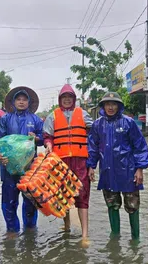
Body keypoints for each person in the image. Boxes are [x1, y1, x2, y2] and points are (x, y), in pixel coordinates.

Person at [86, 92, 148, 240]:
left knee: (132, 205)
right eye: (107, 104)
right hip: (107, 172)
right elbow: (92, 148)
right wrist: (91, 166)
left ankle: (135, 239)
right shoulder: (97, 125)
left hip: (128, 172)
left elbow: (139, 146)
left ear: (119, 105)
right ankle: (115, 237)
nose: (110, 107)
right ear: (102, 106)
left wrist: (139, 169)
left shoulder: (128, 123)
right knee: (112, 204)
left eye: (113, 104)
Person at [43, 84, 94, 240]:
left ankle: (85, 234)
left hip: (81, 161)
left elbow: (94, 137)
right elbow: (47, 136)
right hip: (61, 162)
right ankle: (67, 227)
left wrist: (92, 164)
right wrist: (49, 145)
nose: (66, 100)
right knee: (63, 196)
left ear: (73, 99)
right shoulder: (53, 116)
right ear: (60, 99)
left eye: (69, 97)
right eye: (64, 97)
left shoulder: (83, 114)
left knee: (83, 196)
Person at [0, 86, 44, 233]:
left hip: (30, 168)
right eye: (19, 99)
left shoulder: (35, 120)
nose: (21, 102)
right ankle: (12, 231)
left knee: (30, 201)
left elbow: (43, 138)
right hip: (9, 168)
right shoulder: (5, 118)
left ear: (29, 102)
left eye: (24, 99)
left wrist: (36, 138)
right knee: (9, 202)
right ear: (13, 102)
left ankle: (30, 230)